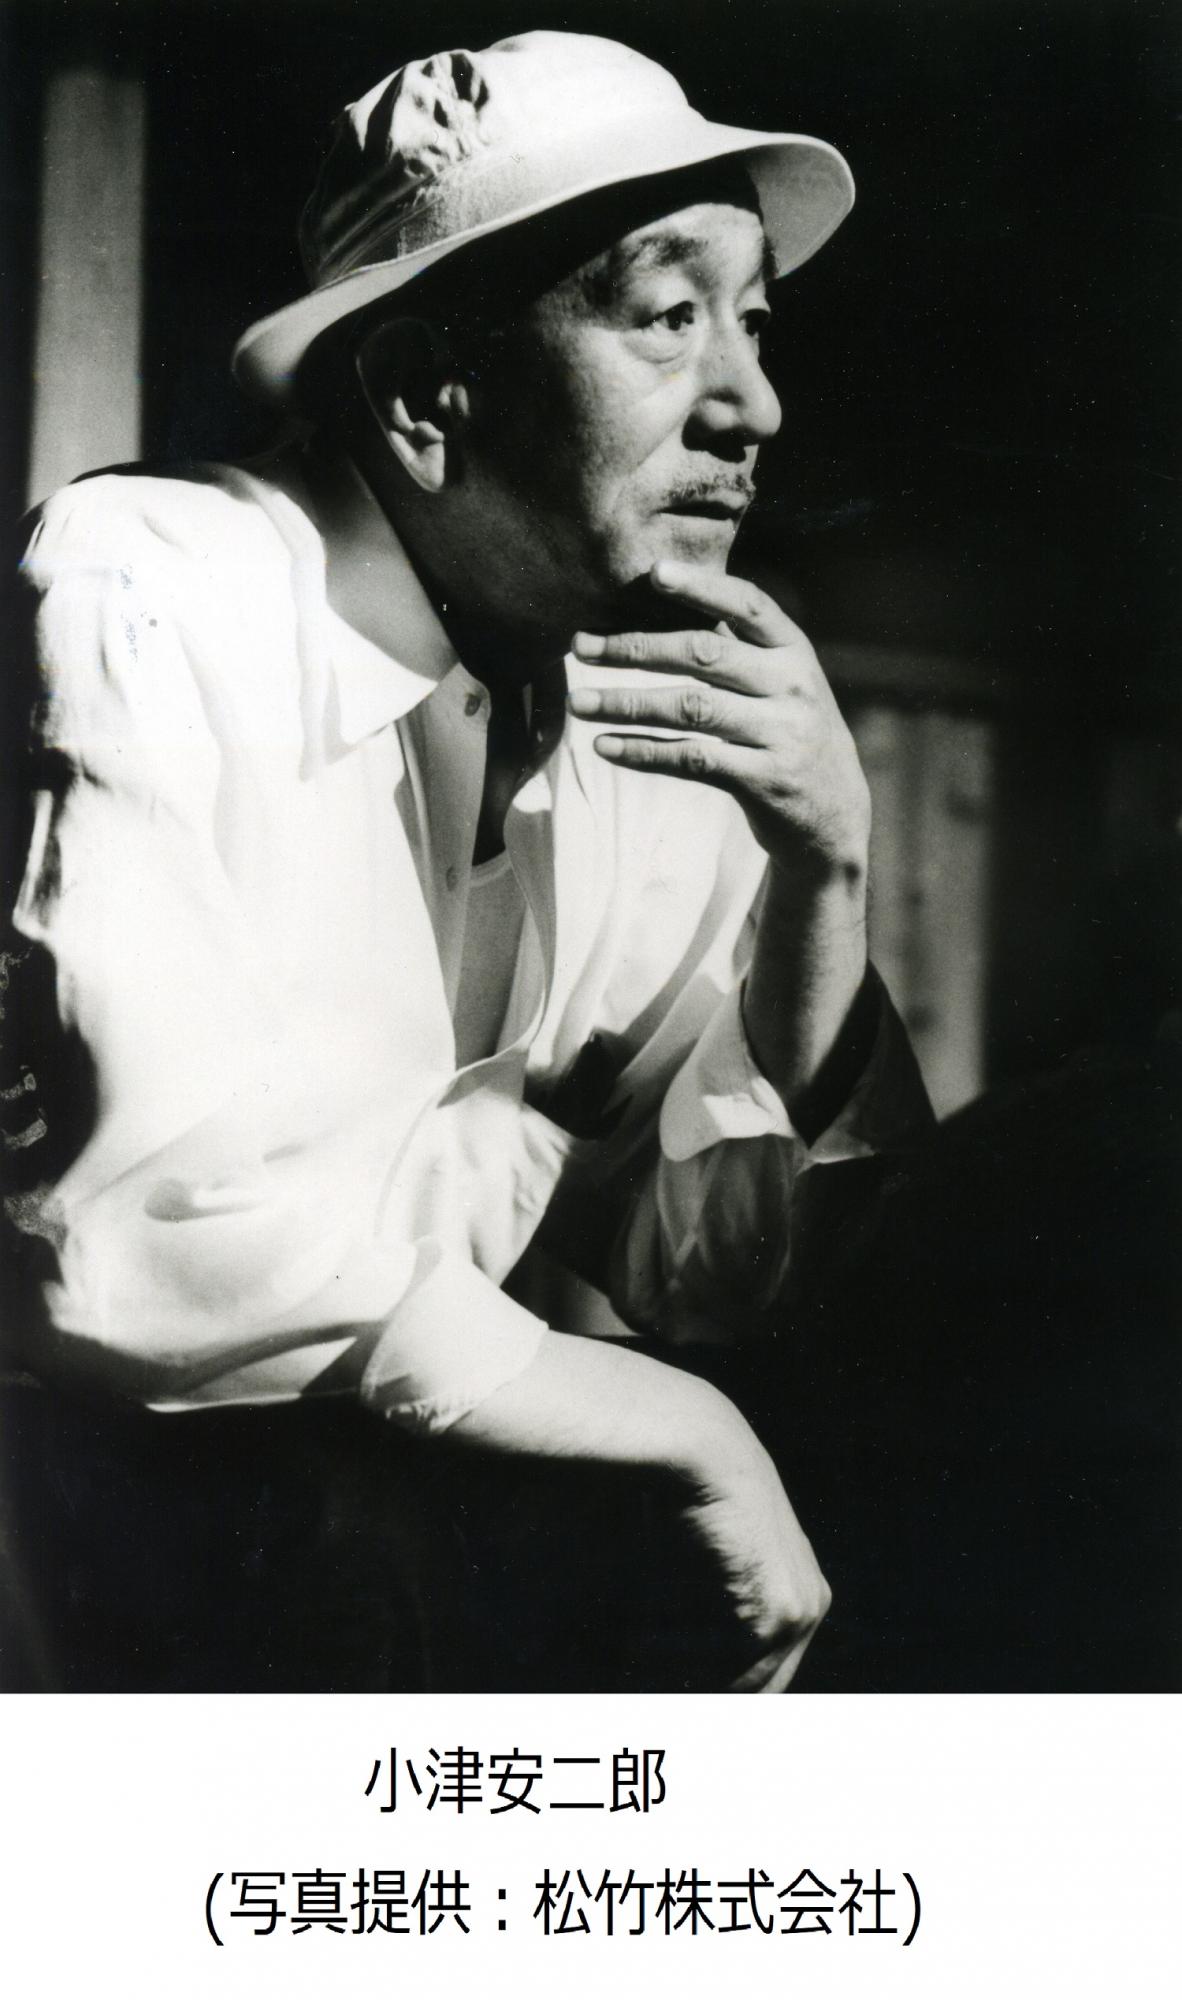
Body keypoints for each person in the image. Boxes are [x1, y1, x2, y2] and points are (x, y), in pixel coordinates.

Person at [0, 30, 933, 1692]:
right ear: (427, 399)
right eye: (670, 317)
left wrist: (824, 870)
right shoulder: (155, 583)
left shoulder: (629, 707)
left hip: (365, 1622)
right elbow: (125, 1236)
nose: (755, 406)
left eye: (755, 322)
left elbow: (719, 1270)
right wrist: (682, 1432)